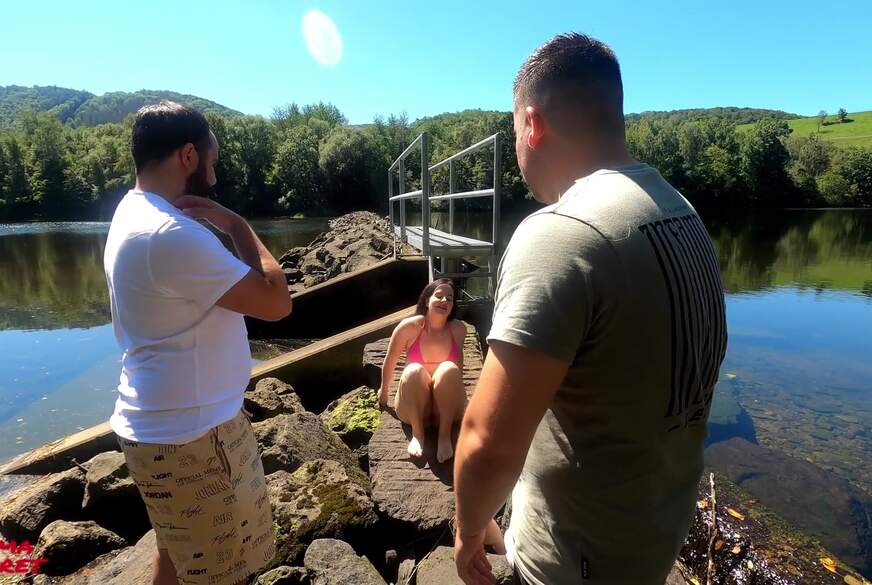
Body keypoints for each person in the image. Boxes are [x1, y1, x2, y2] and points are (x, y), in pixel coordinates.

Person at [453, 33, 728, 585]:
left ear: (532, 124)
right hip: (651, 539)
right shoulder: (681, 211)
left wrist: (467, 531)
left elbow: (487, 441)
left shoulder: (561, 234)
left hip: (573, 562)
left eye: (514, 130)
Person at [104, 101, 292, 585]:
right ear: (188, 155)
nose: (215, 172)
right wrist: (238, 226)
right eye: (212, 159)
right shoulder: (170, 233)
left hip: (168, 425)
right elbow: (276, 301)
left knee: (175, 549)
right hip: (195, 438)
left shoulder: (132, 211)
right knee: (223, 571)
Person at [379, 278, 467, 463]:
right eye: (439, 296)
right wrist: (384, 392)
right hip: (416, 407)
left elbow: (458, 368)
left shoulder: (458, 329)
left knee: (449, 368)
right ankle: (418, 434)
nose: (444, 301)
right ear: (427, 300)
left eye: (450, 298)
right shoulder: (409, 327)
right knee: (413, 371)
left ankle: (444, 435)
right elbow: (391, 360)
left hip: (446, 410)